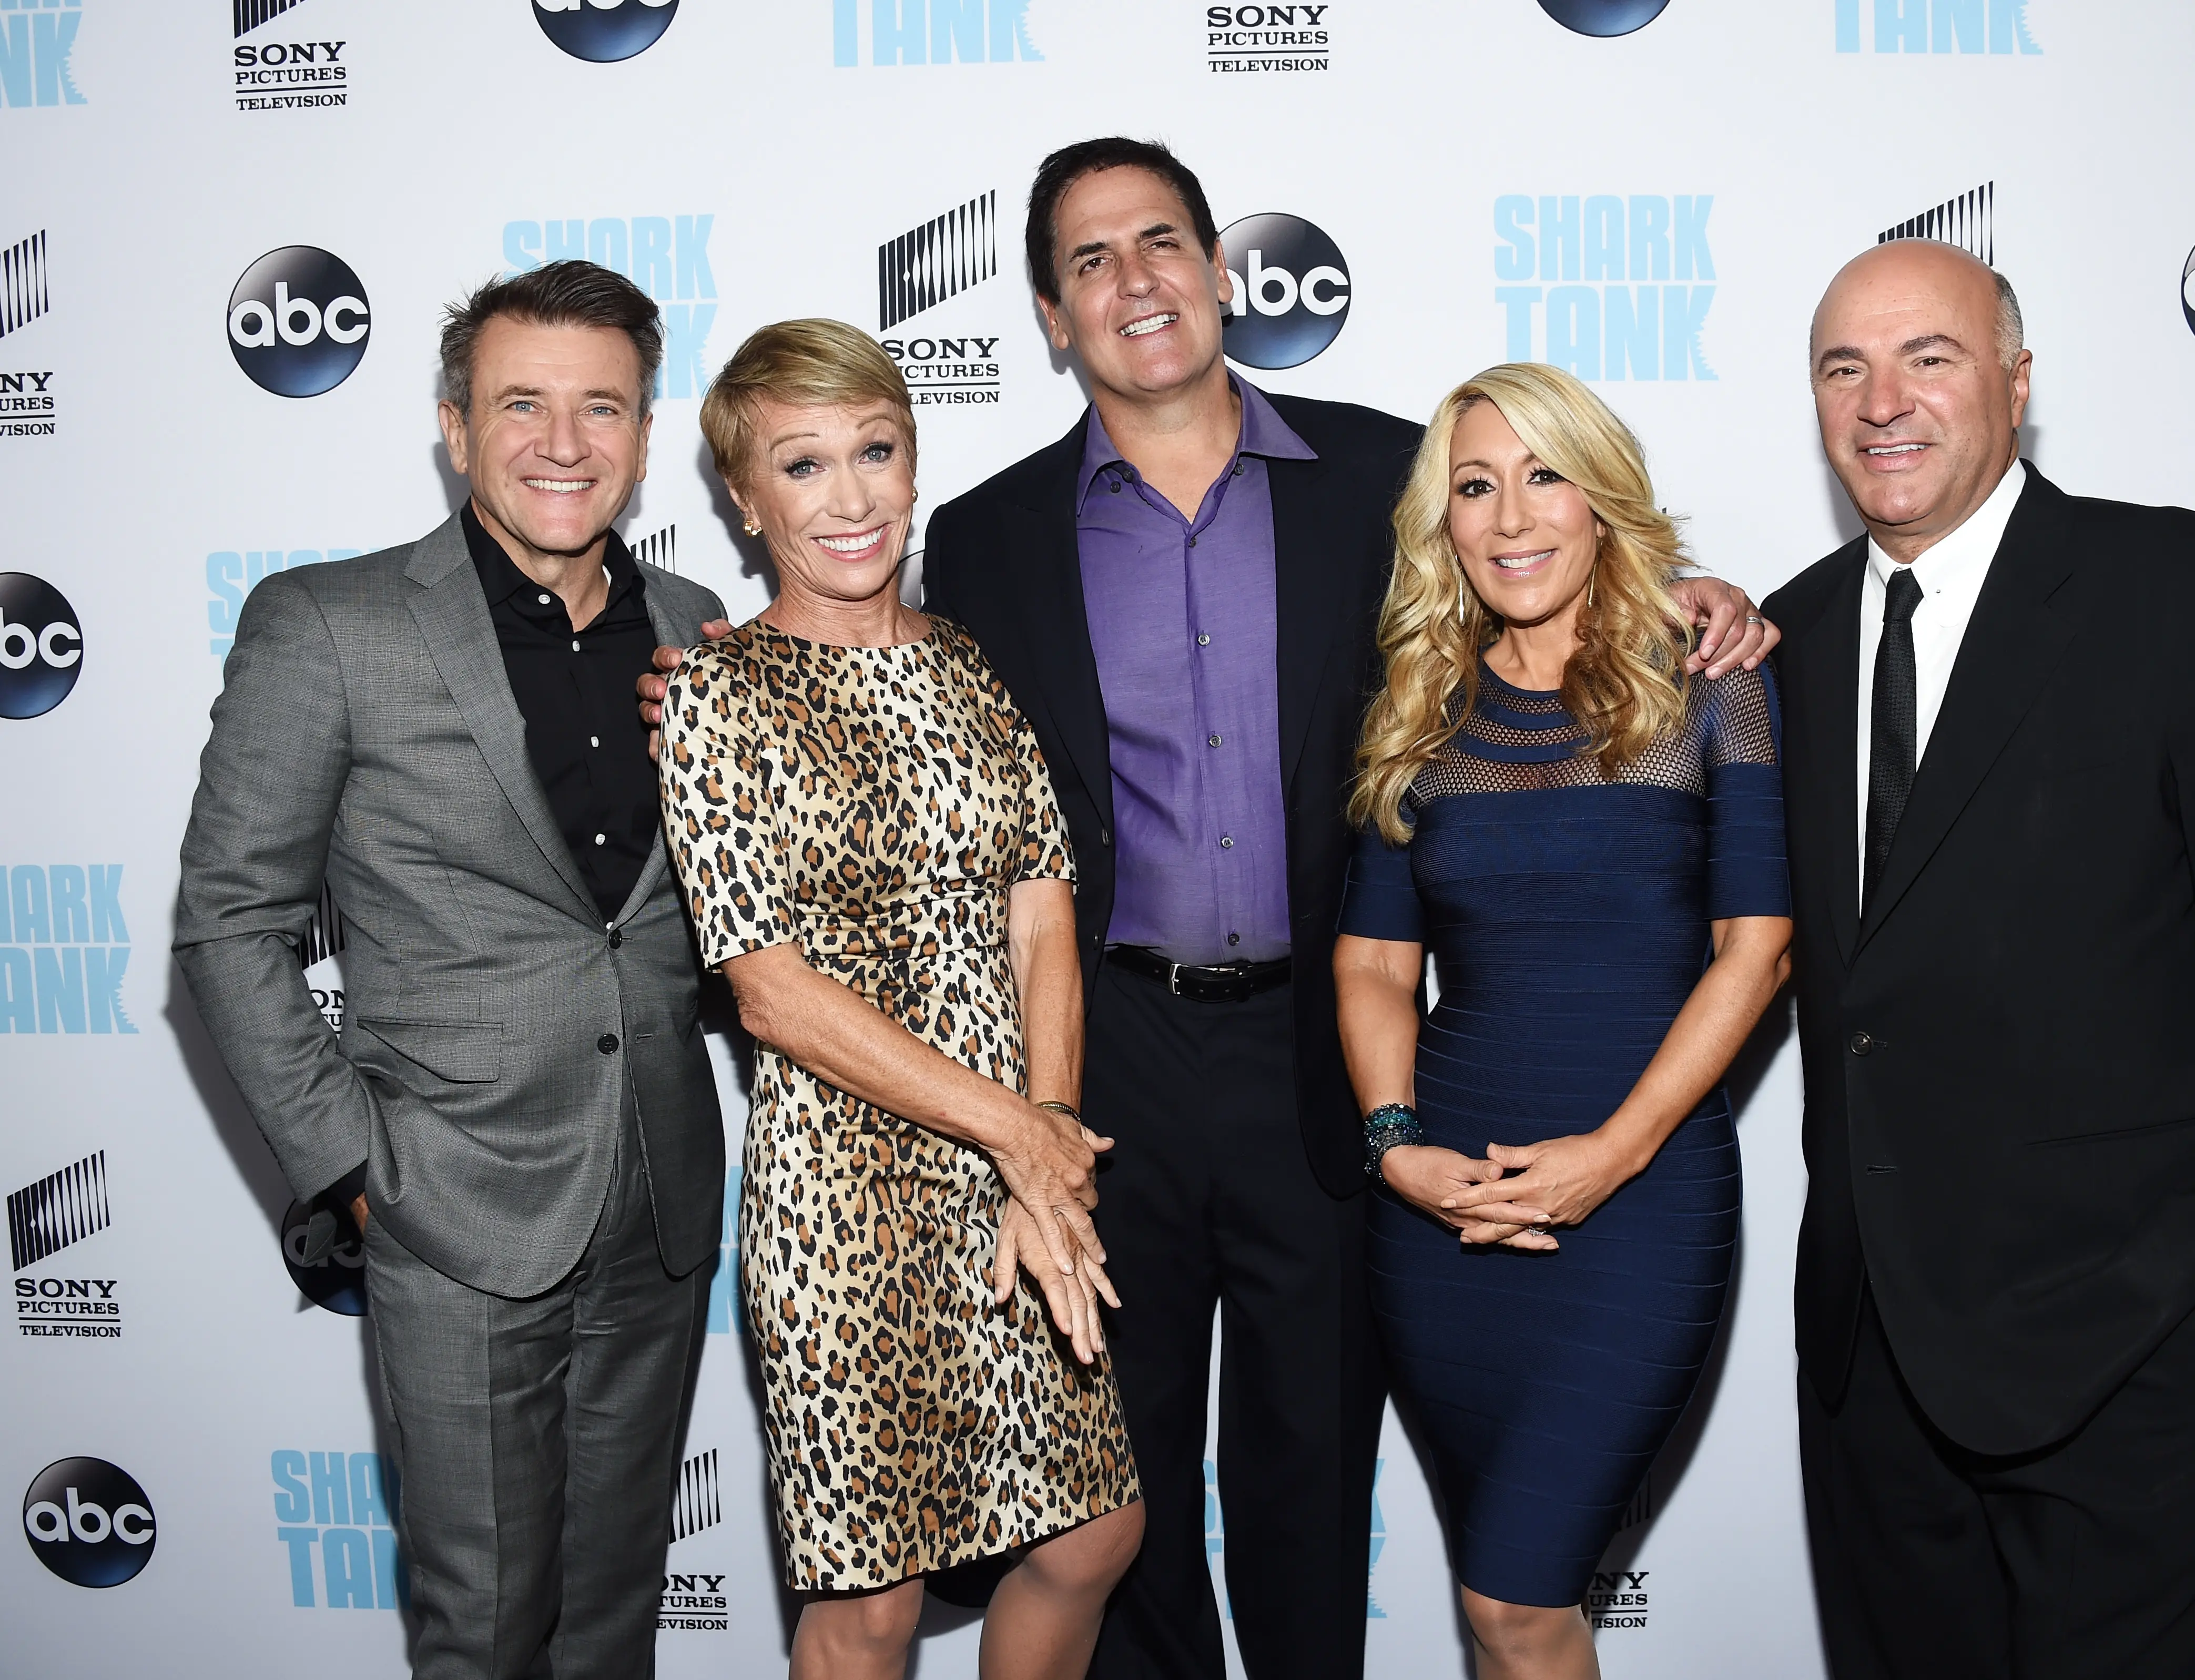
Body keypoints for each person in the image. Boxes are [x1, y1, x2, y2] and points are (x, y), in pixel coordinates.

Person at [643, 137, 1775, 1680]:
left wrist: (1699, 596)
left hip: (1328, 1048)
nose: (1136, 280)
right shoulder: (983, 534)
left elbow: (1549, 564)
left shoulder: (1392, 479)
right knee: (1122, 1501)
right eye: (1091, 260)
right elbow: (860, 676)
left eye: (1162, 239)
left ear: (1222, 268)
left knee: (1314, 1474)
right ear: (1051, 314)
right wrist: (693, 675)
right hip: (1100, 1065)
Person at [1762, 238, 2195, 1679]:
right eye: (1844, 368)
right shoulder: (1784, 638)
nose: (1883, 403)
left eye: (1932, 358)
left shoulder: (2184, 591)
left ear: (2018, 383)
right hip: (1870, 1361)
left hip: (2129, 1342)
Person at [174, 260, 729, 1680]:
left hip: (658, 1199)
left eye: (600, 406)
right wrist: (359, 1168)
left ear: (645, 434)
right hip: (453, 1209)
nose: (563, 442)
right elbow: (230, 926)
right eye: (521, 404)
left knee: (612, 1628)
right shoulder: (333, 625)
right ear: (452, 425)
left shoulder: (695, 620)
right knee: (482, 1632)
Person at [656, 318, 1142, 1680]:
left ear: (915, 466)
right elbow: (769, 993)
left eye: (876, 451)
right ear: (748, 503)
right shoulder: (718, 693)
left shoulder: (969, 664)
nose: (853, 495)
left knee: (1094, 1529)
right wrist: (1016, 1129)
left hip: (1014, 1182)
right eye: (805, 466)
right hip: (845, 1205)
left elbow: (1041, 907)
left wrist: (1048, 1141)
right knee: (875, 1599)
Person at [1333, 363, 1794, 1680]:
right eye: (1475, 485)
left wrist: (1615, 1151)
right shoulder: (1419, 711)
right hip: (1445, 1204)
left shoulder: (1710, 681)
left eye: (1546, 476)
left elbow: (1756, 952)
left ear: (1604, 503)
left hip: (1644, 1199)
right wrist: (1395, 1143)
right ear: (1444, 523)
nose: (1511, 514)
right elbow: (1372, 966)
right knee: (1502, 1596)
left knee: (1514, 1601)